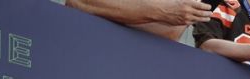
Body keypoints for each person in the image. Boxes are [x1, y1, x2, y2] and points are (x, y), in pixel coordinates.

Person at [66, 0, 212, 41]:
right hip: (87, 43)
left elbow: (171, 31)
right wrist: (161, 11)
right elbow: (79, 2)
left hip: (141, 63)